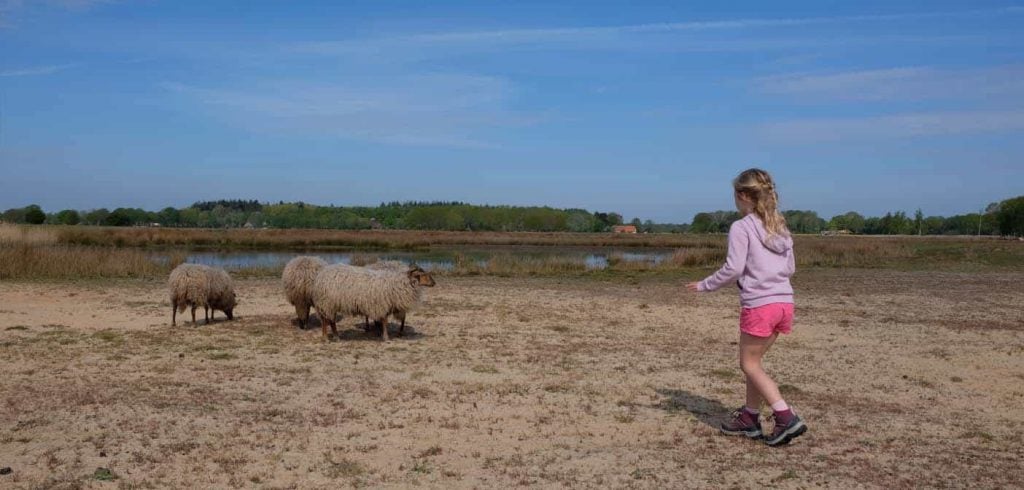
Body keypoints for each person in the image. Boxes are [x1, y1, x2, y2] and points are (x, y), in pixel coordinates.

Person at [686, 168, 807, 447]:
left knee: (748, 364)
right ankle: (750, 418)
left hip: (760, 305)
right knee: (755, 365)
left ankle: (785, 416)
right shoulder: (779, 226)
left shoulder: (741, 227)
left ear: (742, 195)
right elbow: (790, 267)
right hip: (784, 303)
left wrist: (705, 285)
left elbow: (733, 268)